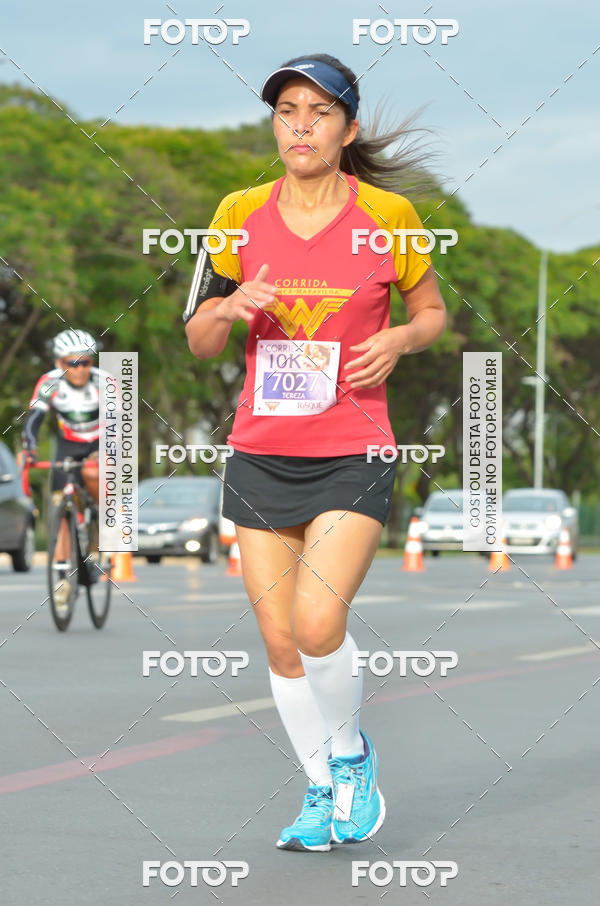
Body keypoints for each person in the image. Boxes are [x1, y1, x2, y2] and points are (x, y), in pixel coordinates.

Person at [184, 53, 447, 852]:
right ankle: (320, 786)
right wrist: (231, 305)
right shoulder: (237, 211)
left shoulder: (389, 217)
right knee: (277, 641)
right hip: (260, 450)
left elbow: (431, 310)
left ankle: (353, 758)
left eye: (320, 110)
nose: (301, 123)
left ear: (348, 128)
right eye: (288, 110)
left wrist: (401, 338)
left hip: (353, 447)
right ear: (276, 126)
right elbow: (197, 340)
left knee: (317, 620)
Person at [21, 328, 101, 608]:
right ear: (59, 363)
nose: (79, 369)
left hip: (100, 441)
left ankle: (100, 529)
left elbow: (121, 426)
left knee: (94, 473)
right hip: (68, 446)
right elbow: (34, 419)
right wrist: (28, 446)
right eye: (72, 363)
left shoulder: (106, 383)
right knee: (60, 503)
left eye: (86, 362)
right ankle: (61, 579)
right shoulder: (48, 382)